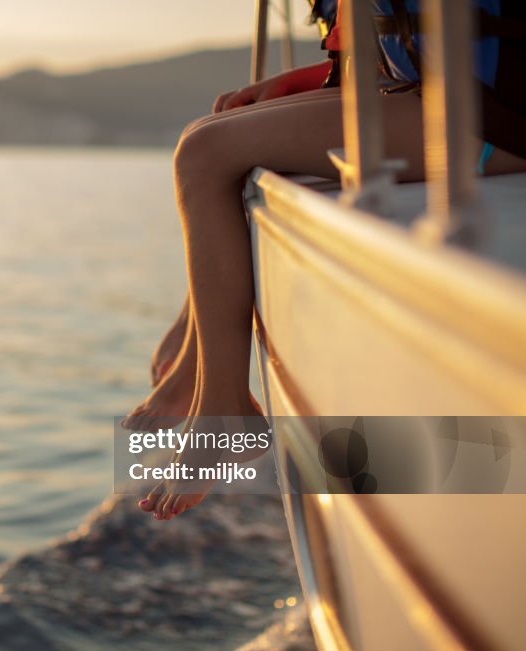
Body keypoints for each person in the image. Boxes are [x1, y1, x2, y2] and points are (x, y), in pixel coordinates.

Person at [126, 0, 526, 521]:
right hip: (468, 102)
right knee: (208, 134)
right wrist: (306, 78)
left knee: (204, 154)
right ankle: (200, 371)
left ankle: (222, 410)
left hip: (495, 121)